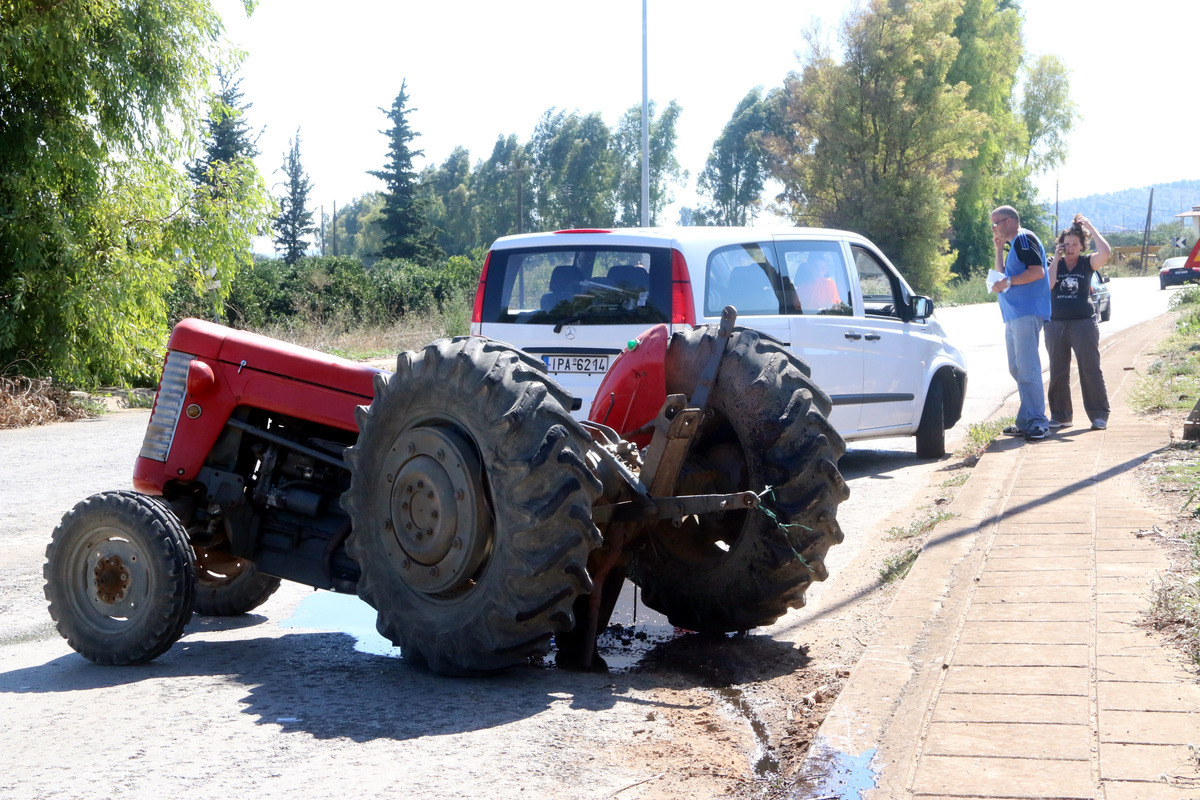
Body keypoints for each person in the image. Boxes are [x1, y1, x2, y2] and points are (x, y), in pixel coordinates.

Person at [989, 205, 1051, 440]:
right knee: (1016, 368)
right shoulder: (1013, 244)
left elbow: (1037, 272)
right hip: (1014, 315)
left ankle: (1038, 422)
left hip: (1027, 311)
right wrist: (998, 250)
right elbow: (1001, 274)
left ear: (1011, 221)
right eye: (992, 224)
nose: (994, 228)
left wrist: (1008, 282)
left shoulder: (1024, 238)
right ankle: (1026, 420)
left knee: (1028, 367)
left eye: (997, 222)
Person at [1045, 214, 1112, 430]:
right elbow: (1049, 284)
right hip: (1056, 323)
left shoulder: (1087, 263)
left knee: (1090, 369)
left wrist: (1090, 226)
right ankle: (1061, 416)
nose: (1070, 247)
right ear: (1061, 246)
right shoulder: (1053, 263)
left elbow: (1106, 253)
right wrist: (1056, 258)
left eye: (1075, 244)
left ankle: (1099, 415)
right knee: (1057, 370)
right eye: (1066, 244)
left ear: (1082, 246)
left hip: (1083, 322)